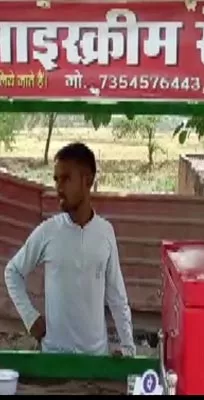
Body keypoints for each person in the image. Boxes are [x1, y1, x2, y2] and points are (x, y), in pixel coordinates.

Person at [4, 142, 136, 356]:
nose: (59, 188)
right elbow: (12, 272)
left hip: (96, 360)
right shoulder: (48, 231)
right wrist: (30, 317)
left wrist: (128, 349)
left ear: (88, 181)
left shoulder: (105, 233)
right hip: (54, 359)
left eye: (66, 179)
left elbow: (116, 295)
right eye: (56, 180)